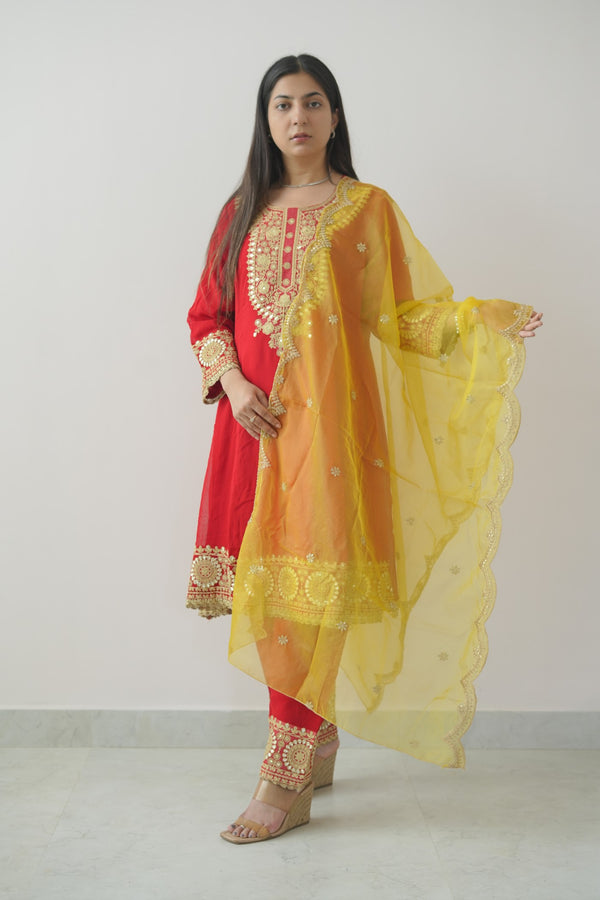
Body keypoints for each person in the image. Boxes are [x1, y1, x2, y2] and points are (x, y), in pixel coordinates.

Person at [186, 54, 543, 844]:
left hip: (332, 440)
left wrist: (474, 319)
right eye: (282, 105)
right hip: (253, 435)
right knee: (277, 598)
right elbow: (206, 317)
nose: (298, 118)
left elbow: (403, 315)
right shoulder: (240, 211)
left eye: (313, 103)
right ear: (266, 119)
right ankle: (315, 741)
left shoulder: (367, 209)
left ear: (336, 116)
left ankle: (283, 778)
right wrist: (237, 386)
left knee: (306, 599)